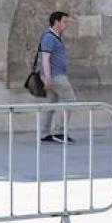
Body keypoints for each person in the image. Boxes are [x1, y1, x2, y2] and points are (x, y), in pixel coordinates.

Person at [37, 10, 76, 143]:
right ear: (56, 22)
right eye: (64, 21)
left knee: (51, 103)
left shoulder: (54, 36)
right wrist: (48, 77)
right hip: (56, 76)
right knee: (70, 101)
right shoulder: (49, 37)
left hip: (54, 75)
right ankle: (59, 132)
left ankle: (44, 133)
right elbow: (45, 58)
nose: (66, 24)